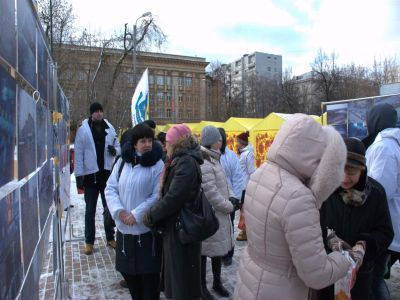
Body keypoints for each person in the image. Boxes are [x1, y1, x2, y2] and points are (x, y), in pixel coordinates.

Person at [234, 114, 357, 300]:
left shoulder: (261, 173)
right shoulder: (299, 197)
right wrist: (346, 259)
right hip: (281, 289)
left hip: (251, 279)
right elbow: (317, 274)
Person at [315, 137, 394, 300]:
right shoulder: (325, 190)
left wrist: (364, 246)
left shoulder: (376, 194)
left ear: (362, 169)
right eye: (340, 170)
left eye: (351, 172)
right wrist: (329, 238)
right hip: (328, 272)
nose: (344, 177)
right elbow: (312, 224)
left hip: (360, 276)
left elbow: (385, 232)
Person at [143, 124, 203, 300]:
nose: (164, 146)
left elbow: (174, 198)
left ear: (177, 143)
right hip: (176, 227)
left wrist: (151, 215)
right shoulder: (179, 160)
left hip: (182, 229)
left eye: (167, 142)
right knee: (176, 278)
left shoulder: (186, 162)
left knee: (181, 281)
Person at [105, 123, 163, 299]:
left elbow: (157, 195)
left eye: (150, 140)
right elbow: (110, 188)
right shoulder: (122, 162)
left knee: (149, 283)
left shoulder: (157, 165)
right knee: (131, 279)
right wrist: (119, 212)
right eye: (142, 141)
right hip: (124, 233)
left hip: (146, 233)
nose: (147, 144)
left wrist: (136, 215)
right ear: (134, 144)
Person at [363, 103, 400, 299]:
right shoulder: (393, 143)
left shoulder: (384, 147)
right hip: (393, 223)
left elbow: (379, 191)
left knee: (374, 280)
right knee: (377, 277)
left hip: (386, 226)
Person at [75, 102, 120, 255]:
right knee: (90, 211)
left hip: (106, 175)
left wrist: (115, 150)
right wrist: (78, 176)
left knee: (109, 208)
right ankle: (89, 242)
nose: (99, 114)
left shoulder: (110, 128)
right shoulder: (83, 130)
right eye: (96, 111)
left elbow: (118, 147)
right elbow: (79, 153)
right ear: (91, 113)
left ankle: (110, 236)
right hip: (90, 176)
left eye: (101, 111)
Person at [199, 126, 238, 299]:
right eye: (219, 139)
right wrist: (228, 206)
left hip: (219, 215)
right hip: (210, 216)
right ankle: (202, 286)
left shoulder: (215, 159)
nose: (221, 142)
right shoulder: (205, 161)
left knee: (217, 251)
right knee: (204, 252)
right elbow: (210, 192)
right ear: (213, 141)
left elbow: (225, 182)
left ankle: (217, 282)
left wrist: (232, 197)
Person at [218, 127, 243, 266]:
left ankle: (228, 254)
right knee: (217, 228)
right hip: (215, 200)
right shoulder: (208, 155)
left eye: (220, 139)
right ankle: (219, 253)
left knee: (228, 227)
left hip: (229, 198)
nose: (218, 142)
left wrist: (236, 197)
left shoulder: (231, 156)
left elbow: (238, 177)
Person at [236, 131, 255, 241]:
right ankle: (244, 230)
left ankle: (245, 231)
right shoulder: (242, 153)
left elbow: (251, 171)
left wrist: (251, 186)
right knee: (242, 209)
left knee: (244, 209)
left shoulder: (248, 154)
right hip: (241, 186)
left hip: (246, 186)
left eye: (237, 142)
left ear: (242, 143)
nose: (236, 144)